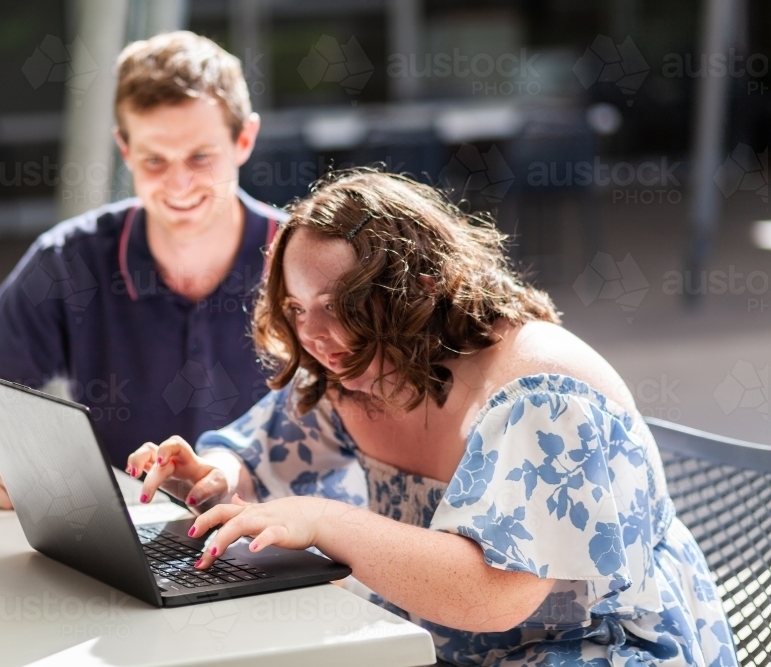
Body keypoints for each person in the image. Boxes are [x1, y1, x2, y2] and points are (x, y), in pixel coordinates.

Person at [128, 170, 738, 666]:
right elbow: (258, 454)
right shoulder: (363, 370)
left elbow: (493, 594)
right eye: (297, 308)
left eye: (344, 306)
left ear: (421, 288)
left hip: (592, 650)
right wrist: (214, 474)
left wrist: (320, 520)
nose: (315, 335)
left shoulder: (542, 393)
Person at [0, 31, 285, 510]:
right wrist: (15, 470)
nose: (179, 184)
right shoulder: (71, 261)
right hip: (128, 546)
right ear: (125, 150)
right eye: (155, 159)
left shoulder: (302, 260)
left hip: (282, 546)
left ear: (244, 139)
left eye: (200, 156)